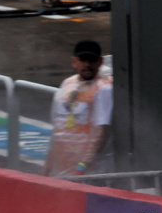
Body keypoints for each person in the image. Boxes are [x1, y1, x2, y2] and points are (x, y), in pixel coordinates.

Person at [43, 40, 113, 177]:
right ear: (74, 62)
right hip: (63, 166)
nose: (87, 65)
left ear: (100, 61)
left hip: (89, 170)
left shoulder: (104, 88)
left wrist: (83, 165)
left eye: (92, 60)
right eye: (83, 60)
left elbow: (101, 132)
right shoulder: (67, 83)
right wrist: (48, 163)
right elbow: (57, 128)